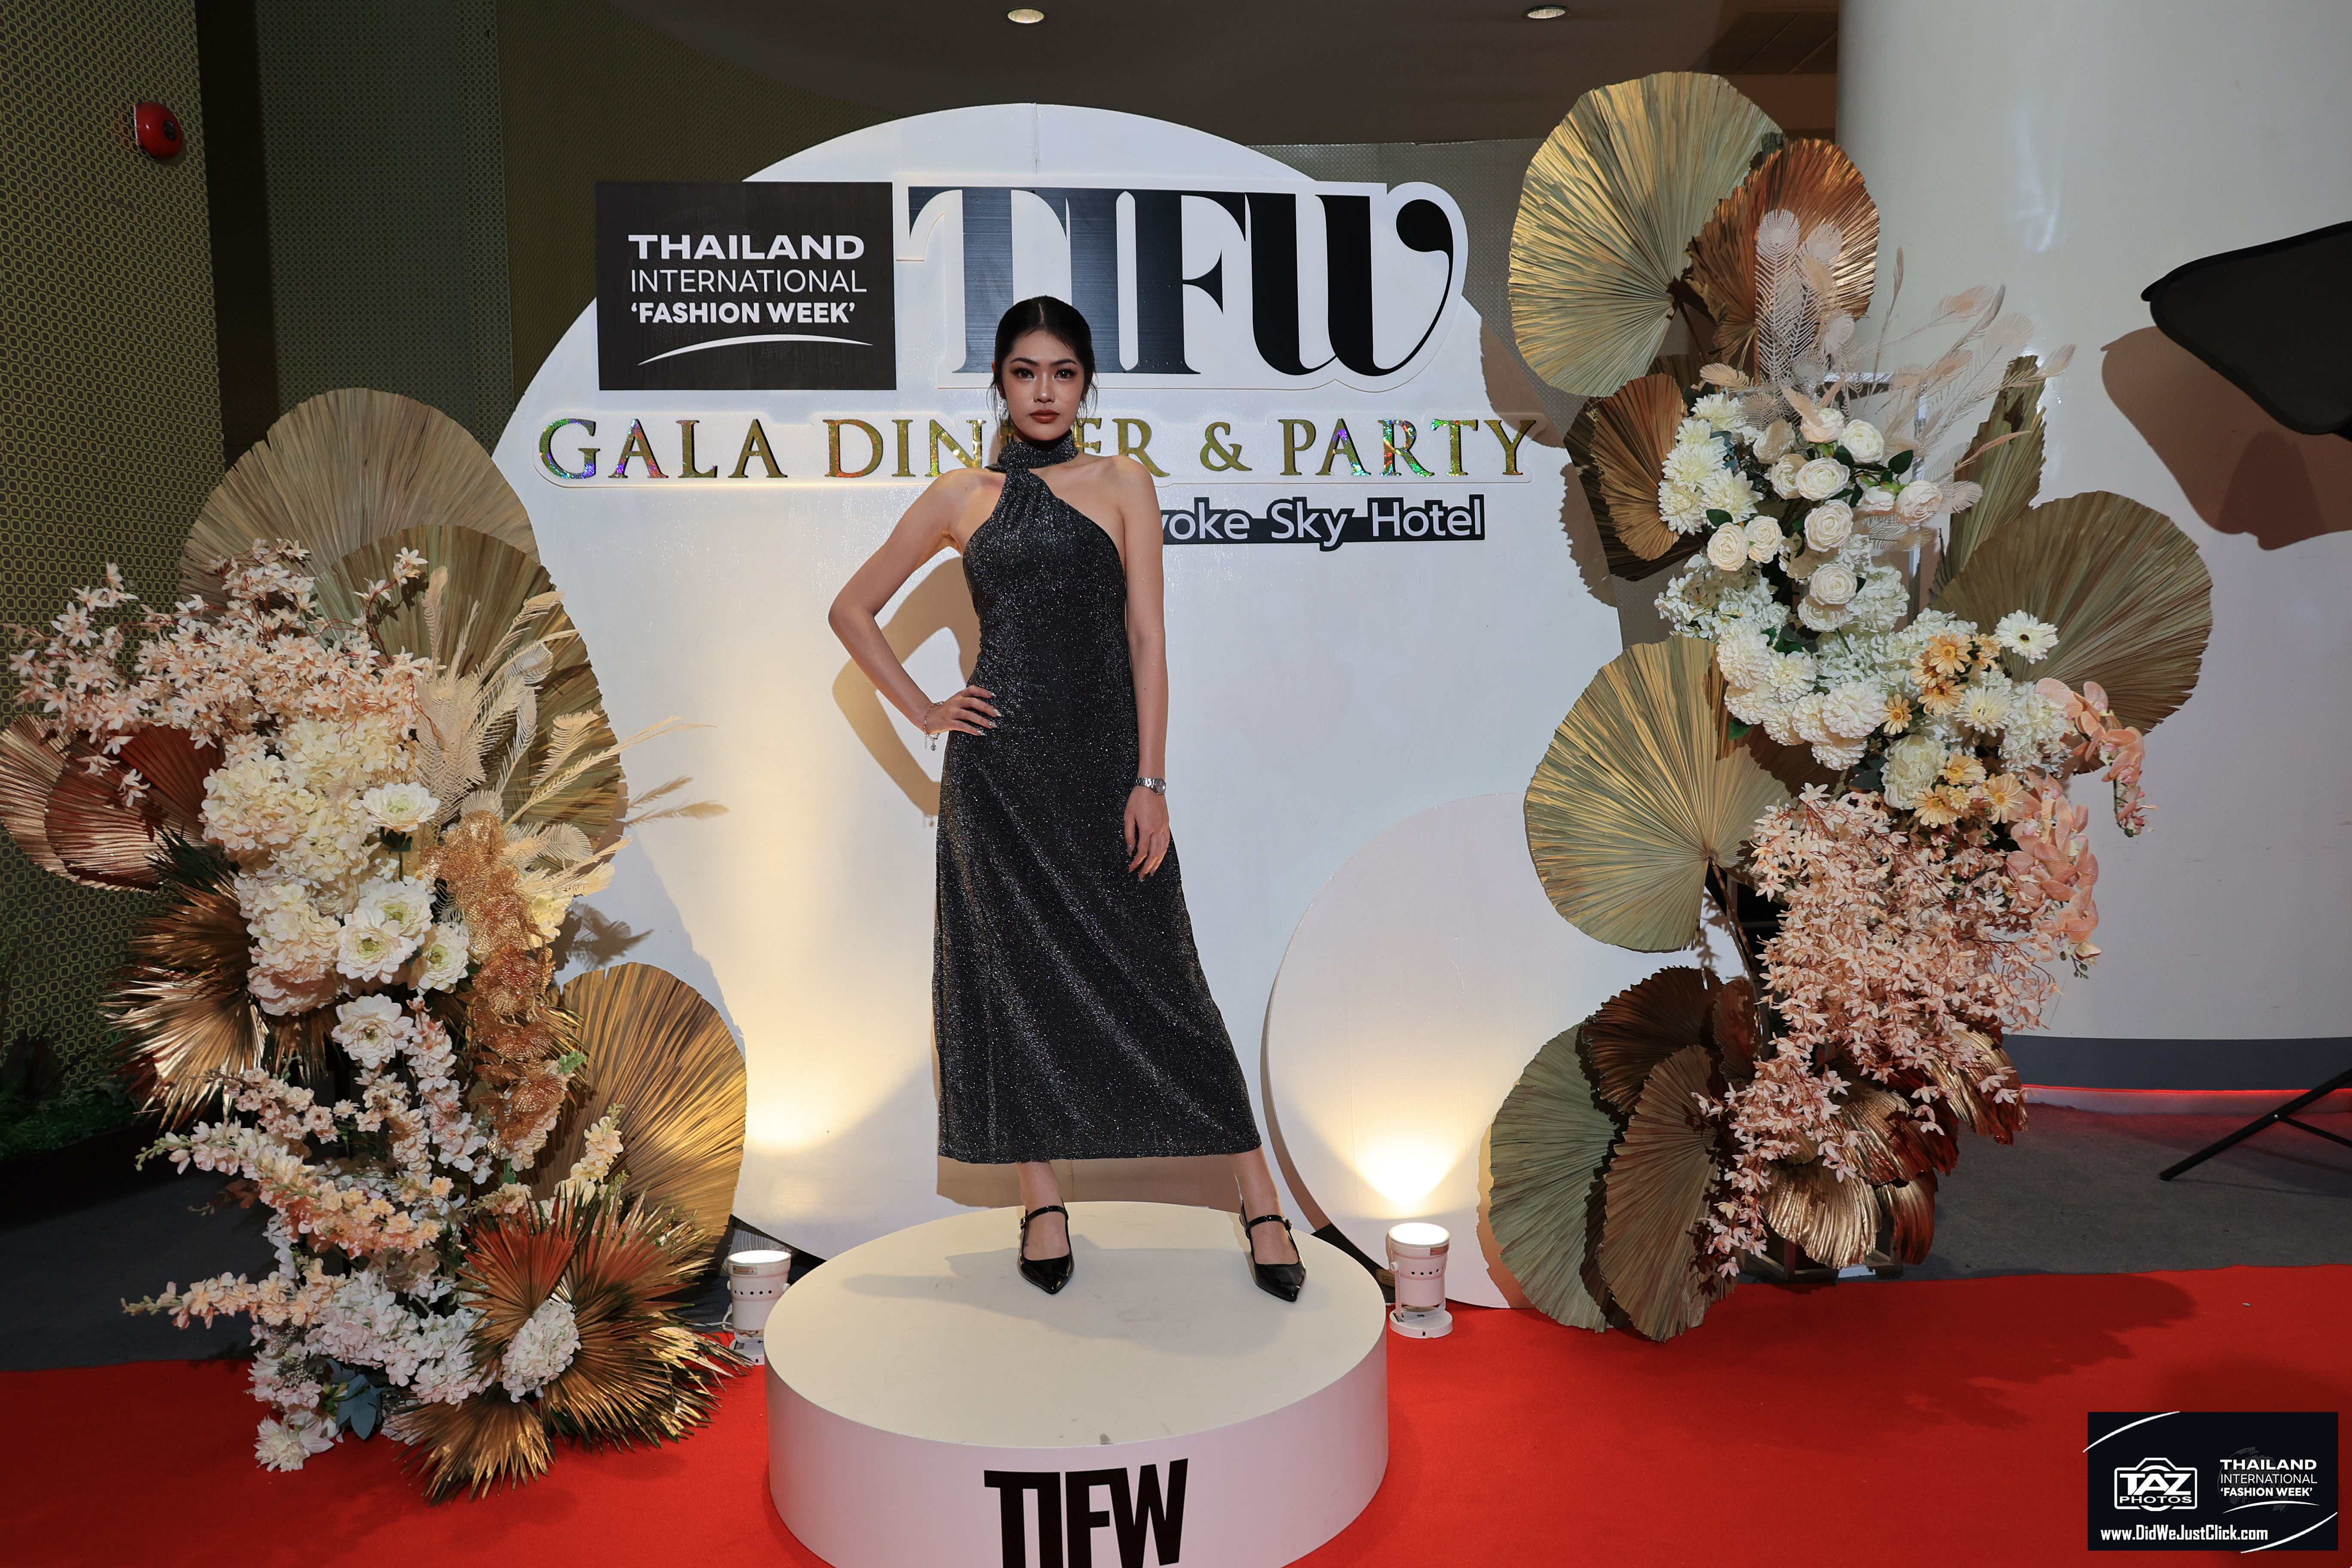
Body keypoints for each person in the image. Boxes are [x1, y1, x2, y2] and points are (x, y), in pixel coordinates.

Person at [829, 296, 1305, 1302]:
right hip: (998, 783)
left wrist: (1150, 781)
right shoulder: (961, 495)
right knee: (1011, 986)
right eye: (1024, 372)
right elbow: (851, 610)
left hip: (1104, 775)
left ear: (1086, 385)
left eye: (1063, 373)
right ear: (1000, 384)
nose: (1044, 392)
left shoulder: (1124, 481)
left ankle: (1260, 1202)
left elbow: (1147, 639)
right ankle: (1042, 1203)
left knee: (1167, 982)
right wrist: (925, 707)